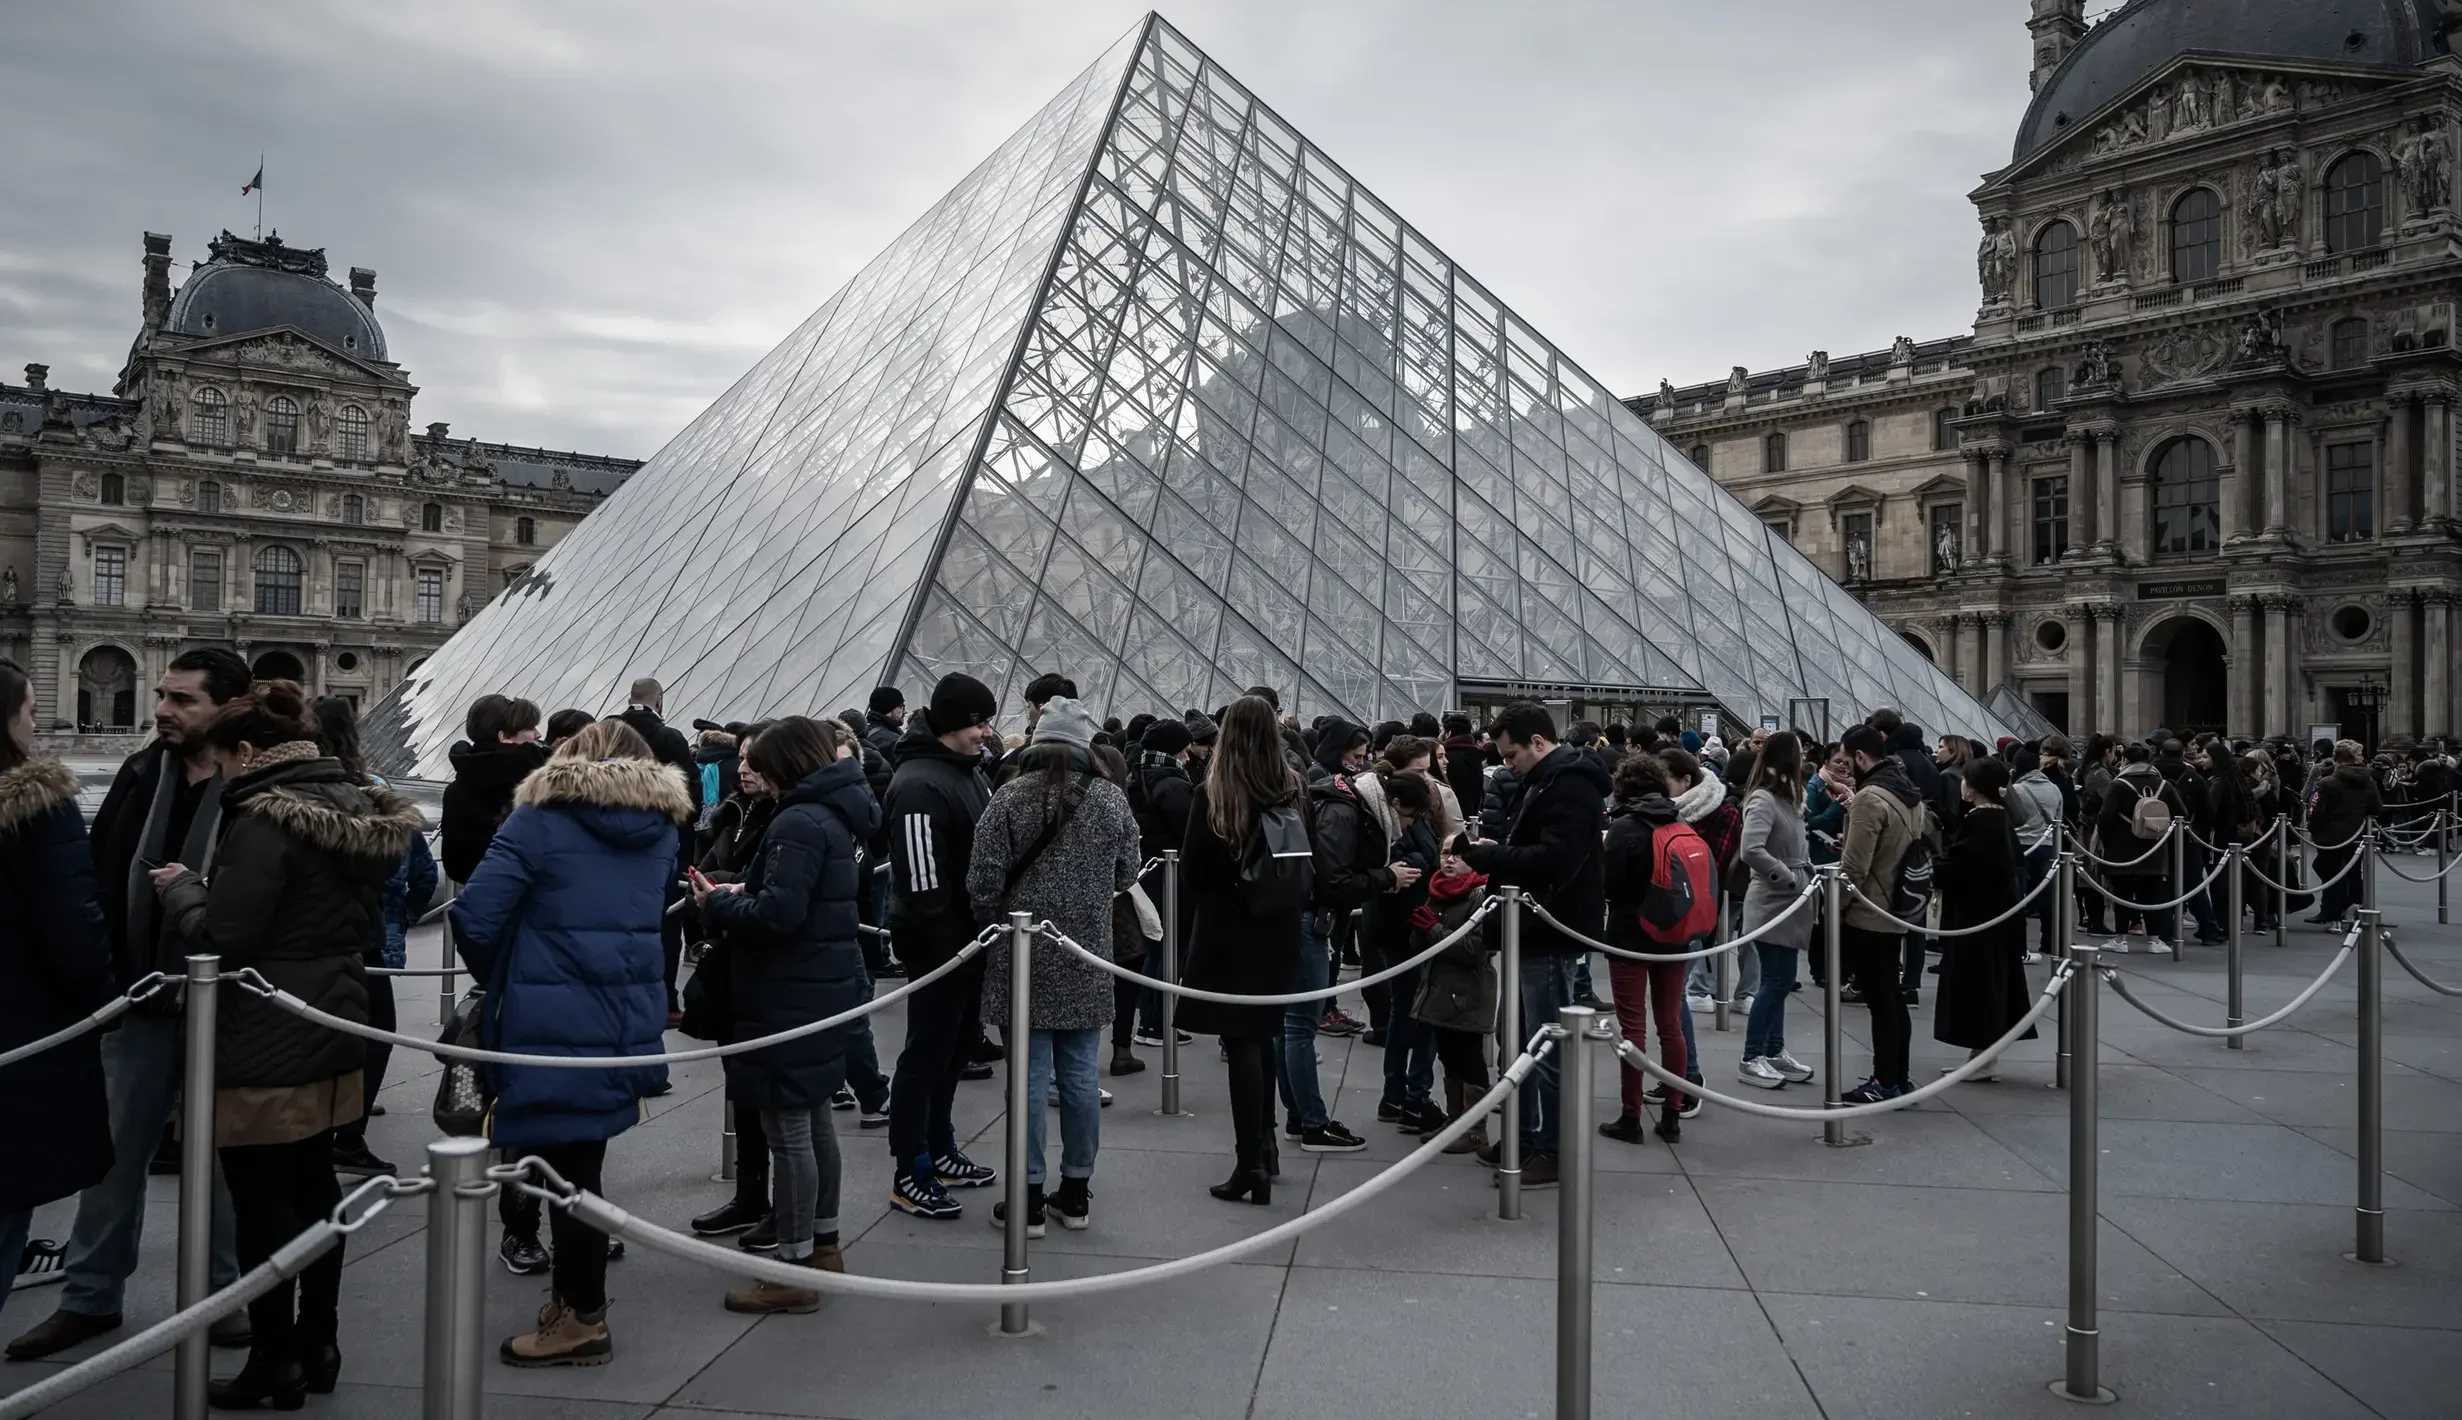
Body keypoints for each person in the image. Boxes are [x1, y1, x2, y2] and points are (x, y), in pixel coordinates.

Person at [151, 680, 421, 1405]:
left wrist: (181, 889)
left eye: (223, 760)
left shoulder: (265, 821)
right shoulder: (354, 804)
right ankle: (319, 1341)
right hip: (331, 1019)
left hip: (263, 1033)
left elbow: (223, 935)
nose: (219, 775)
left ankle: (274, 1358)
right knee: (314, 1189)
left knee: (262, 1203)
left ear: (247, 752)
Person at [9, 647, 252, 1364]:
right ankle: (89, 1296)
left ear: (227, 707)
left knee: (223, 1163)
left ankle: (222, 1295)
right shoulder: (142, 772)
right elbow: (97, 867)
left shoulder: (255, 786)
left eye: (182, 700)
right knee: (113, 1160)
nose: (162, 710)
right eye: (163, 696)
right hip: (138, 997)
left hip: (231, 1002)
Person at [454, 718, 683, 1366]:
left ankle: (583, 1318)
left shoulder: (539, 819)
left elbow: (475, 915)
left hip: (548, 1018)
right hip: (623, 1016)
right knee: (581, 1159)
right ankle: (572, 1302)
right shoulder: (660, 828)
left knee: (564, 1170)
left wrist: (506, 974)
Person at [692, 717, 878, 1313]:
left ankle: (796, 1265)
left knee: (789, 1131)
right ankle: (824, 1247)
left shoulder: (798, 820)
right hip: (817, 986)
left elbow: (780, 915)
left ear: (786, 765)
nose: (752, 772)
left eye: (761, 763)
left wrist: (718, 904)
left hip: (786, 993)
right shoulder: (834, 813)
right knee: (815, 1121)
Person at [965, 698, 1142, 1236]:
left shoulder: (1009, 797)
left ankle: (1028, 1196)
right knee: (1082, 1078)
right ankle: (1077, 1191)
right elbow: (1127, 871)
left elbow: (981, 882)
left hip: (1020, 952)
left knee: (1027, 1079)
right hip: (1085, 950)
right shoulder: (1112, 801)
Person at [0, 658, 112, 1335]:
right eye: (32, 713)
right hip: (22, 1034)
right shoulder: (38, 807)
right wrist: (103, 1004)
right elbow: (74, 929)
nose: (38, 726)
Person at [1461, 702, 1610, 1188]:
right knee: (1521, 1040)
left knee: (1544, 1045)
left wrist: (1486, 855)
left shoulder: (1567, 784)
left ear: (1539, 744)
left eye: (1511, 756)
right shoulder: (1554, 778)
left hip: (1548, 928)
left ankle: (1553, 1148)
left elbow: (1553, 860)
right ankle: (1526, 1137)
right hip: (1536, 925)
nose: (1508, 765)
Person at [1176, 696, 1309, 1204]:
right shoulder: (1292, 787)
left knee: (1243, 1045)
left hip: (1229, 929)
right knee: (1266, 1033)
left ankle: (1249, 1163)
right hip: (1278, 925)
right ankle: (1268, 1148)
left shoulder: (1216, 792)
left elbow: (1193, 872)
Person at [883, 674, 1000, 1220]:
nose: (986, 731)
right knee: (925, 1055)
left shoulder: (961, 773)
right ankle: (911, 1168)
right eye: (978, 721)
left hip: (968, 941)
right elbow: (923, 882)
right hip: (941, 947)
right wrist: (952, 946)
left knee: (952, 1052)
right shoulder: (918, 785)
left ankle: (939, 1146)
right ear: (953, 723)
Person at [314, 695, 439, 1179]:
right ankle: (347, 1132)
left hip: (312, 944)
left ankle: (325, 1125)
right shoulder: (369, 797)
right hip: (365, 937)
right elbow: (414, 871)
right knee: (373, 1031)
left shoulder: (282, 795)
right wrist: (402, 914)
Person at [1281, 720, 1380, 1150]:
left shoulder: (1315, 790)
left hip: (1291, 914)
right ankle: (1312, 1122)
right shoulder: (1340, 803)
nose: (1361, 764)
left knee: (1289, 1027)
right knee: (1301, 1027)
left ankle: (1298, 1114)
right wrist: (1384, 876)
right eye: (1357, 756)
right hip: (1311, 919)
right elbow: (1334, 879)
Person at [1596, 752, 1691, 1143]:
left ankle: (1630, 1116)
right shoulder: (1680, 823)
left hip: (1630, 938)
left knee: (1633, 1029)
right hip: (1675, 936)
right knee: (1671, 1025)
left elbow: (1610, 889)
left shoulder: (1624, 830)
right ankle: (1673, 1113)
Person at [1836, 724, 1925, 1104]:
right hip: (1899, 907)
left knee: (1880, 1001)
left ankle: (1884, 1080)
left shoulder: (1869, 799)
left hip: (1870, 911)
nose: (1843, 769)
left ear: (1860, 757)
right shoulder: (1908, 793)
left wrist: (1830, 911)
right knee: (1892, 997)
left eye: (1845, 761)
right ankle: (1898, 1076)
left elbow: (1854, 868)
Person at [1933, 758, 2033, 1081]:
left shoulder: (1982, 821)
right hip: (1992, 915)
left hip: (1979, 917)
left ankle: (1983, 1054)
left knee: (1979, 984)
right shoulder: (1996, 818)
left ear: (1974, 787)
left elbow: (1961, 865)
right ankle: (1980, 1054)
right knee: (1986, 983)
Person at [1354, 753, 1439, 1132]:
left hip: (1400, 921)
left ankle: (1400, 1092)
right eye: (1421, 769)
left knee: (1409, 1008)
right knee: (1414, 1010)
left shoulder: (1399, 810)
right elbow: (1414, 860)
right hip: (1403, 923)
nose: (1431, 774)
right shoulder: (1387, 819)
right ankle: (1406, 1095)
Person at [616, 678, 701, 1022]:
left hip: (615, 849)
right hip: (667, 849)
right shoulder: (669, 738)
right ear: (659, 702)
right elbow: (692, 796)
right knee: (666, 926)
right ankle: (665, 1001)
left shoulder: (607, 731)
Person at [1735, 732, 1816, 1090]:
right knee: (1775, 981)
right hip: (1773, 898)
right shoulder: (1765, 799)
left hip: (1790, 896)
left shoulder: (1788, 797)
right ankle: (1752, 1056)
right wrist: (1786, 877)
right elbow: (1750, 849)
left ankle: (1773, 1049)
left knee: (1780, 981)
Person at [439, 694, 549, 886]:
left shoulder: (456, 790)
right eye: (530, 728)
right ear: (504, 737)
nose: (538, 734)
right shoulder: (537, 788)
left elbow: (457, 866)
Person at [2092, 743, 2187, 951]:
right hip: (2155, 848)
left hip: (2122, 848)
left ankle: (2121, 939)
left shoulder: (2118, 785)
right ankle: (2154, 940)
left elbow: (2105, 817)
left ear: (2125, 760)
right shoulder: (2163, 784)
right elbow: (2181, 813)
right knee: (2152, 894)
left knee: (2123, 895)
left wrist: (2106, 843)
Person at [2307, 740, 2382, 928]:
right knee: (2353, 872)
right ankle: (2354, 906)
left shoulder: (2328, 782)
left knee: (2328, 871)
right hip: (2357, 834)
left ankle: (2333, 911)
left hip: (2330, 836)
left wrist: (2313, 828)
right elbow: (2377, 808)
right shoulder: (2368, 780)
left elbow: (2316, 812)